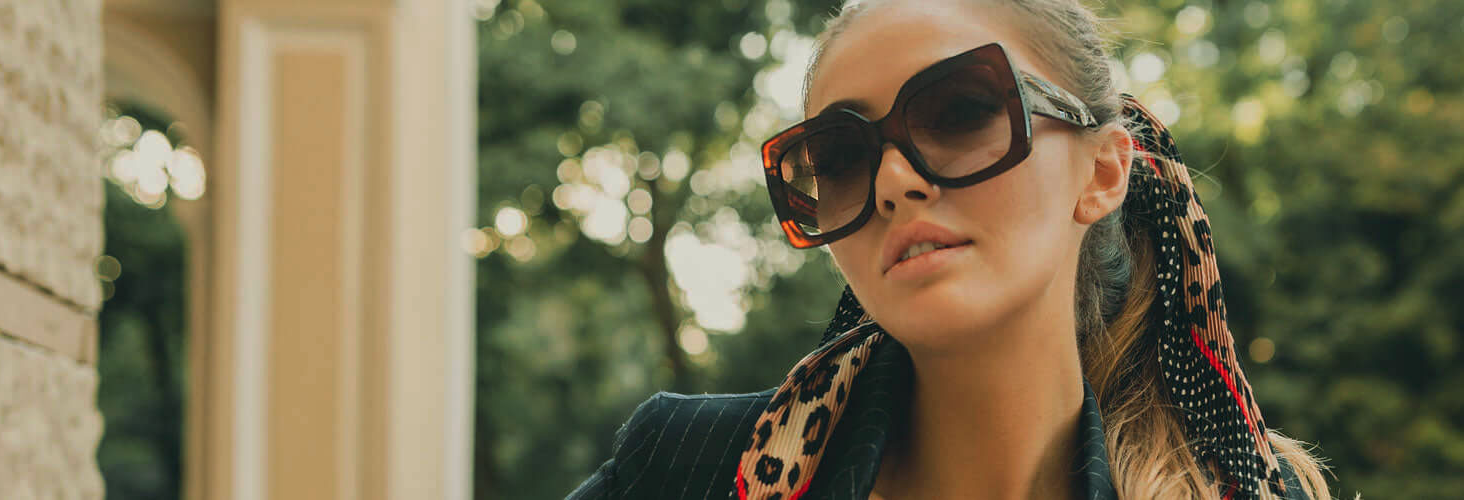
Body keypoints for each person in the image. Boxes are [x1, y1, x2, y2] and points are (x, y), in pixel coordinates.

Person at [567, 0, 1334, 498]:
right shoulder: (681, 468)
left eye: (962, 109)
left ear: (1103, 172)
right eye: (839, 157)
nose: (894, 181)